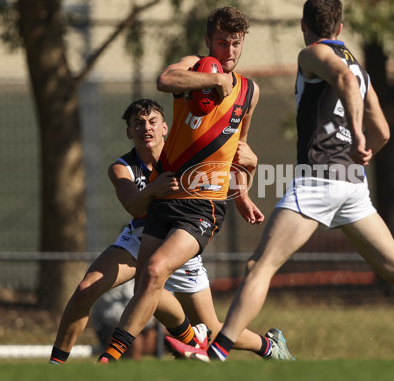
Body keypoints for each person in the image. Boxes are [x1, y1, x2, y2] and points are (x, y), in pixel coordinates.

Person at [167, 0, 394, 362]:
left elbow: (343, 83)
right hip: (351, 183)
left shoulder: (312, 54)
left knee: (260, 266)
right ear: (340, 27)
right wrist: (359, 148)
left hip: (319, 178)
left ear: (304, 26)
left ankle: (217, 351)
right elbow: (382, 131)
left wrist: (355, 132)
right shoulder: (360, 67)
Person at [96, 6, 293, 363]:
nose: (229, 51)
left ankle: (108, 359)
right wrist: (213, 80)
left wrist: (242, 193)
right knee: (153, 286)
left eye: (236, 43)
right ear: (208, 41)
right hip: (168, 196)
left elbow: (238, 148)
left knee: (155, 271)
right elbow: (165, 80)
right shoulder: (196, 66)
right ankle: (261, 345)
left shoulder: (250, 91)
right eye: (222, 42)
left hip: (205, 204)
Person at [50, 99, 291, 364]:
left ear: (165, 128)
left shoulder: (187, 155)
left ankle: (268, 345)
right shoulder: (122, 167)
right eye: (138, 124)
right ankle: (57, 365)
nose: (146, 128)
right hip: (140, 240)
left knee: (210, 329)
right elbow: (133, 206)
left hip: (181, 243)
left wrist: (252, 166)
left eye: (153, 122)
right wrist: (154, 189)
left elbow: (228, 176)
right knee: (87, 288)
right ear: (129, 132)